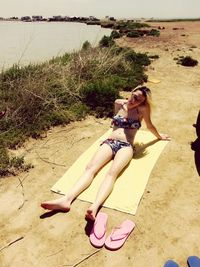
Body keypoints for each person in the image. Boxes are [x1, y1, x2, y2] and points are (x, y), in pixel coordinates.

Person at [41, 86, 170, 220]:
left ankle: (94, 207)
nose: (134, 100)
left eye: (138, 100)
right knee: (90, 168)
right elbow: (114, 124)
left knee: (111, 174)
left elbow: (149, 125)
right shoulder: (119, 103)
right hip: (109, 142)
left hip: (126, 146)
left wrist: (159, 136)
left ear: (142, 102)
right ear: (131, 93)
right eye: (134, 95)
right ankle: (66, 200)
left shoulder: (142, 109)